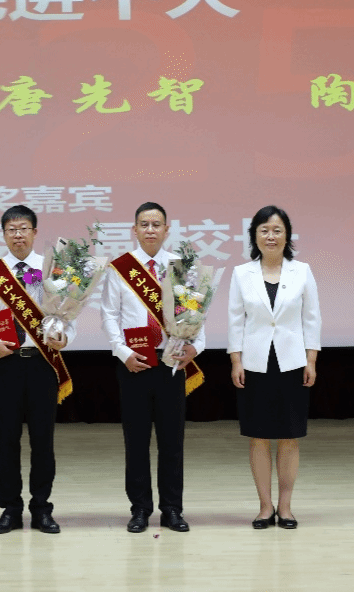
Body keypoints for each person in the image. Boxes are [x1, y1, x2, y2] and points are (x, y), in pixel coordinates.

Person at [0, 205, 73, 535]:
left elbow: (67, 313)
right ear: (3, 234)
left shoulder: (51, 270)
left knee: (43, 440)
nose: (18, 235)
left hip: (43, 362)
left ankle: (41, 508)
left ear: (35, 232)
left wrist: (64, 337)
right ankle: (10, 509)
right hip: (7, 363)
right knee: (7, 440)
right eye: (11, 229)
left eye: (24, 228)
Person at [101, 202, 204, 533]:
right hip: (135, 364)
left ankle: (172, 509)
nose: (150, 230)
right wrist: (122, 353)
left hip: (171, 363)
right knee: (136, 441)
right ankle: (140, 509)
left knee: (172, 441)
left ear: (166, 230)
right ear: (134, 229)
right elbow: (109, 314)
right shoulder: (120, 268)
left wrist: (196, 347)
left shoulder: (181, 267)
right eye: (144, 224)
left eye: (156, 224)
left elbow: (196, 314)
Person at [227, 205, 321, 530]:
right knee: (258, 437)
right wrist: (236, 360)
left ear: (287, 235)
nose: (271, 236)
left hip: (292, 362)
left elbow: (312, 319)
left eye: (277, 230)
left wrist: (311, 360)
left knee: (289, 437)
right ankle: (265, 507)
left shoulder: (302, 271)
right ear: (254, 235)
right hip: (254, 363)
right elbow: (235, 320)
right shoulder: (241, 273)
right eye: (264, 230)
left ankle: (286, 506)